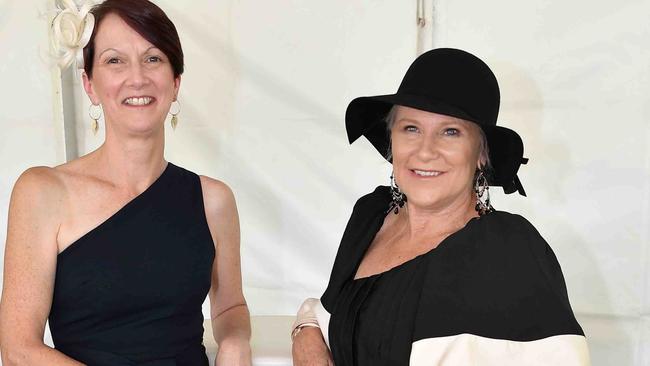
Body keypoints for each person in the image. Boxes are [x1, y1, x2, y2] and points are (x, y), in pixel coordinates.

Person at [291, 48, 590, 365]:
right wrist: (305, 332)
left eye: (450, 132)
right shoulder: (372, 215)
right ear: (391, 140)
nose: (425, 151)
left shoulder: (509, 253)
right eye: (411, 128)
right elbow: (334, 314)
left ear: (481, 154)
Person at [0, 1, 251, 365]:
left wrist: (235, 340)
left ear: (175, 82)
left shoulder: (214, 200)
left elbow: (230, 305)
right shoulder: (42, 192)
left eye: (153, 59)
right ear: (89, 84)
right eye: (114, 60)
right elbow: (18, 350)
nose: (137, 78)